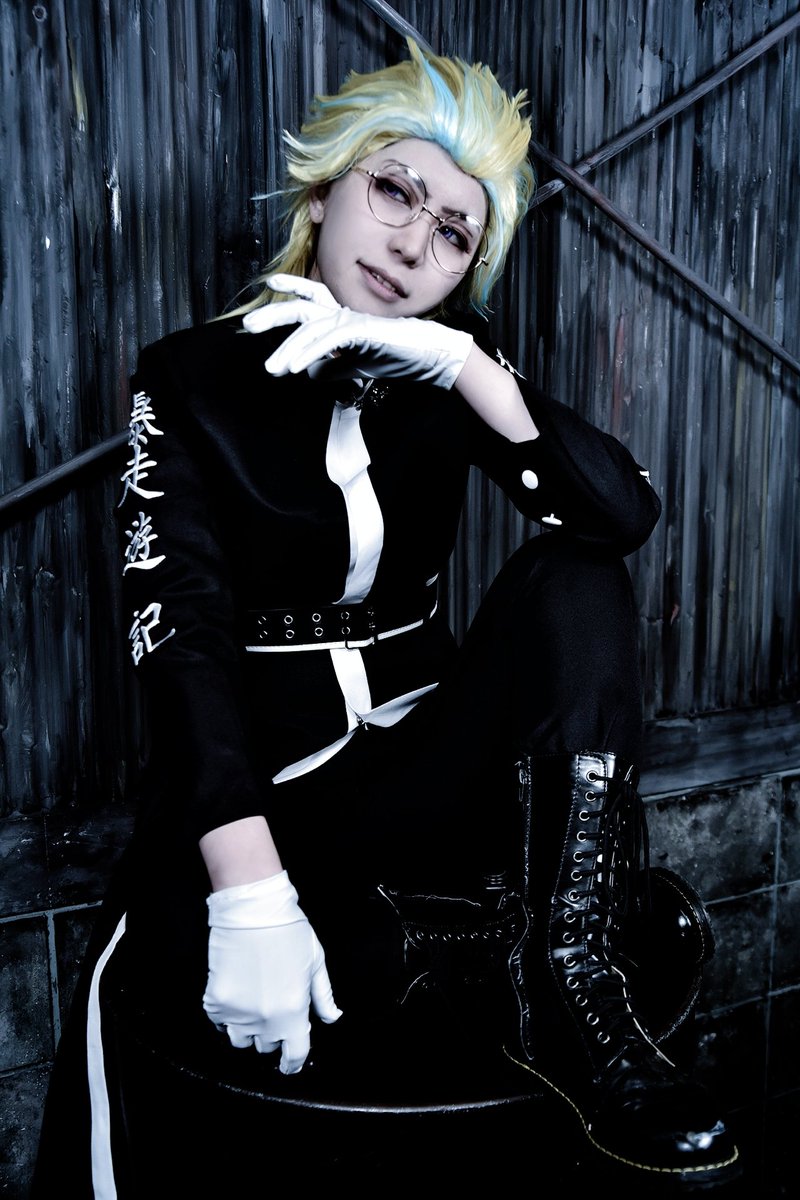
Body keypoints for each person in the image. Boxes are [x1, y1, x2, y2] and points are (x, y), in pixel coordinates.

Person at [33, 38, 741, 1195]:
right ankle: (431, 947)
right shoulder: (189, 378)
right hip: (277, 792)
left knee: (575, 573)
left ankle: (569, 976)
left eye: (455, 233)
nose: (414, 245)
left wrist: (462, 367)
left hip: (428, 774)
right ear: (325, 191)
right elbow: (180, 639)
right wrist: (248, 892)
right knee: (231, 993)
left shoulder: (450, 360)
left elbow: (617, 517)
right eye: (395, 192)